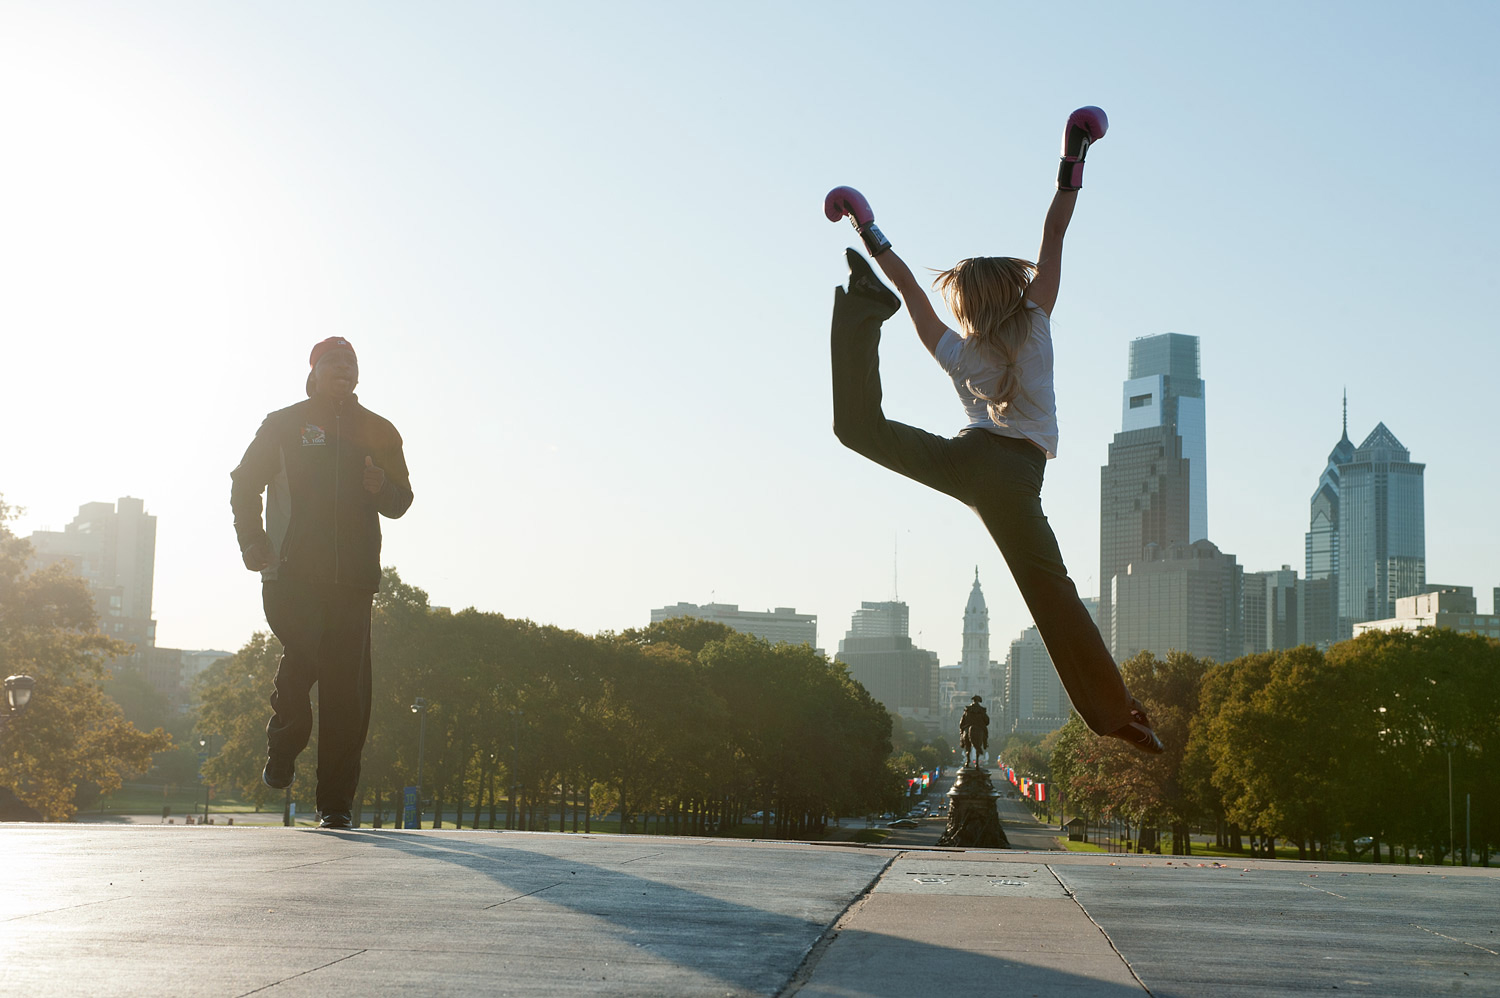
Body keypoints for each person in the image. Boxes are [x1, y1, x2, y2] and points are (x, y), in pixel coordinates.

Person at [825, 106, 1163, 754]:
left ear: (969, 304)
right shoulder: (1036, 318)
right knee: (1052, 594)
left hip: (964, 460)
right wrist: (1074, 157)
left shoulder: (958, 351)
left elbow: (908, 283)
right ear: (1011, 289)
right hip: (1010, 478)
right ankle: (1116, 712)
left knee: (858, 428)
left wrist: (869, 227)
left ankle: (860, 309)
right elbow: (1055, 229)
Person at [230, 336, 414, 829]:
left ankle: (335, 805)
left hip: (353, 584)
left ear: (358, 376)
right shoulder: (285, 424)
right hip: (290, 575)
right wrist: (251, 540)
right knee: (303, 660)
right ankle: (286, 741)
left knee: (345, 696)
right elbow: (244, 483)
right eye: (334, 361)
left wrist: (382, 490)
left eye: (352, 362)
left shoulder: (378, 430)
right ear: (313, 372)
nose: (344, 368)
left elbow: (402, 501)